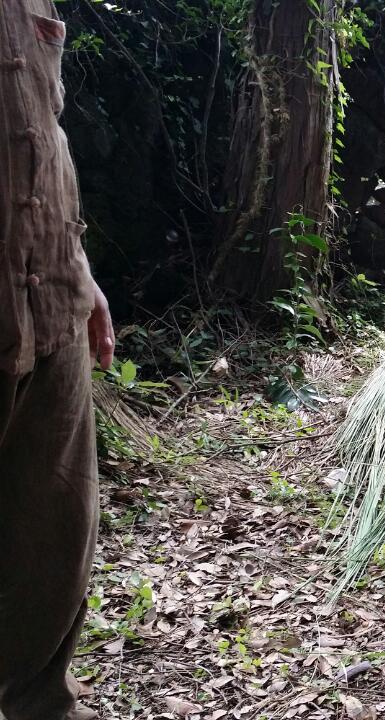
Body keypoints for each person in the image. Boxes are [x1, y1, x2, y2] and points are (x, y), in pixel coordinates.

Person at [1, 3, 116, 719]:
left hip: (53, 308)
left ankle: (42, 703)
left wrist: (81, 271)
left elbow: (45, 132)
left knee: (56, 530)